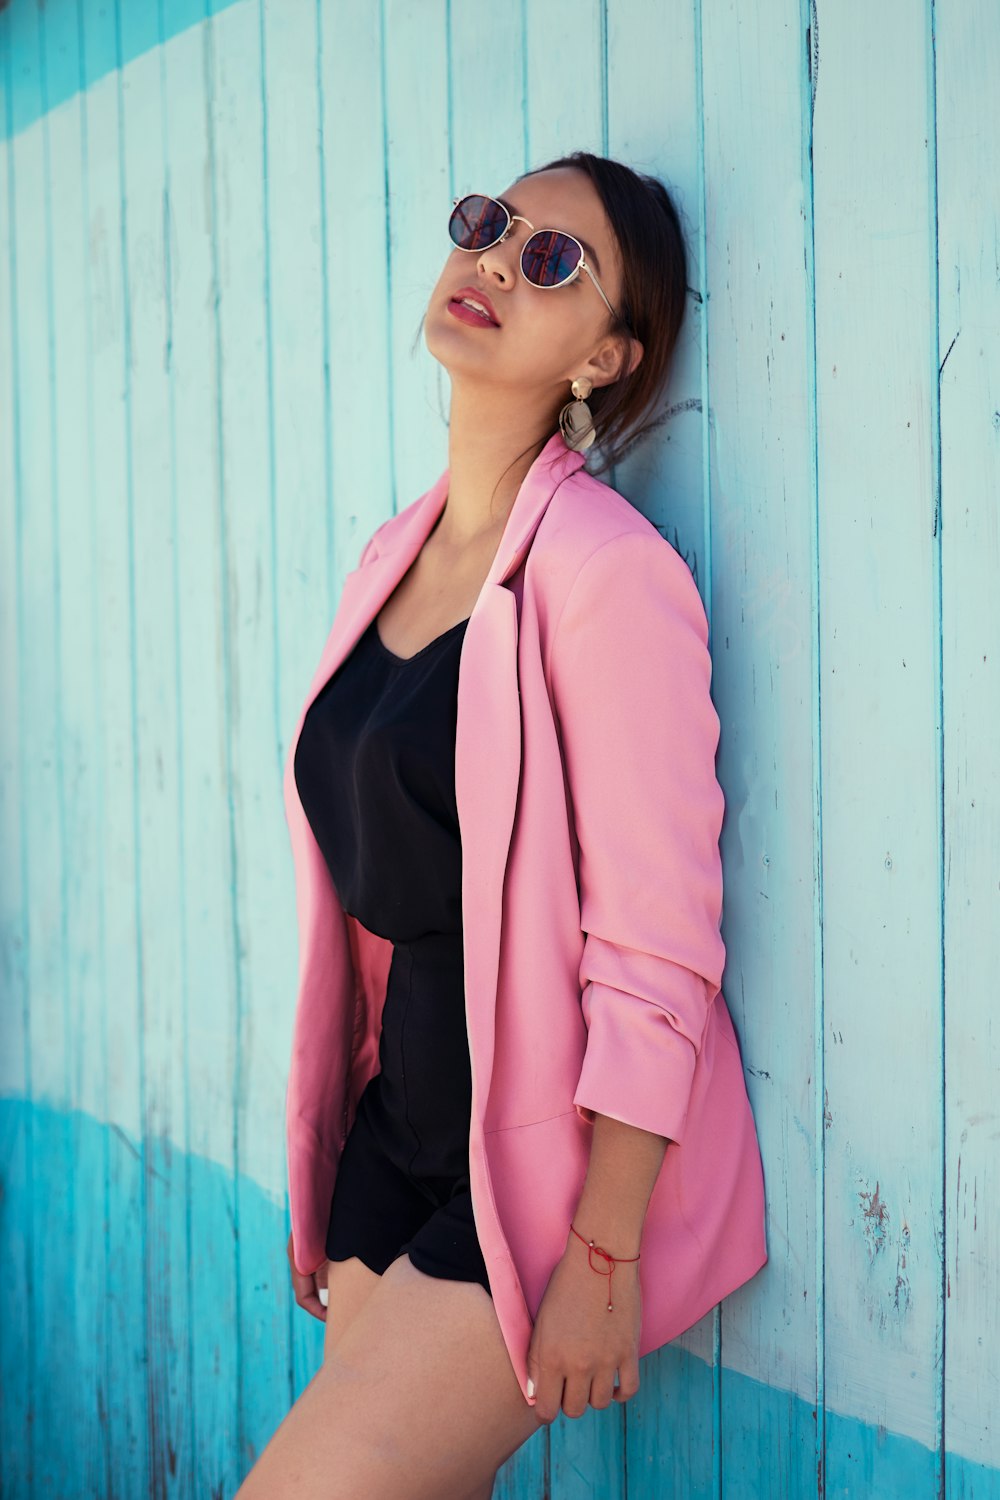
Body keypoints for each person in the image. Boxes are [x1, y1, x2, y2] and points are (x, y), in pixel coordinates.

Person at [236, 151, 766, 1500]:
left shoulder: (607, 576)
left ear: (604, 358)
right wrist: (323, 1148)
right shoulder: (388, 560)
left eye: (550, 262)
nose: (491, 259)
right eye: (489, 225)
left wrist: (603, 1252)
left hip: (533, 1169)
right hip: (395, 1138)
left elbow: (659, 941)